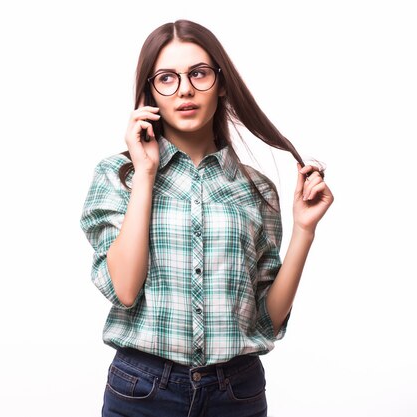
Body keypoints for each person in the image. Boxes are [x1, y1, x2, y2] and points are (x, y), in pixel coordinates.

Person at [79, 19, 333, 417]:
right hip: (143, 392)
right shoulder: (118, 177)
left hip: (237, 394)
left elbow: (267, 319)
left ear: (221, 83)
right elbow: (124, 290)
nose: (184, 89)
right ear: (150, 93)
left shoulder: (256, 189)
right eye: (167, 78)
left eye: (198, 73)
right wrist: (146, 174)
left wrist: (304, 229)